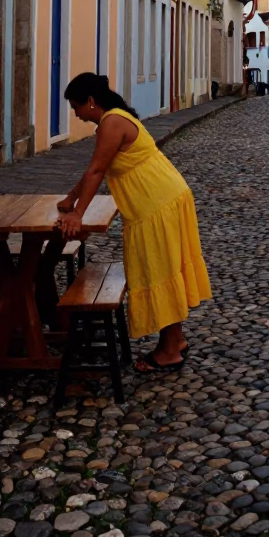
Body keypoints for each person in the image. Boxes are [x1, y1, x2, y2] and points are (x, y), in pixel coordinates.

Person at [56, 73, 211, 373]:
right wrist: (72, 199)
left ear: (91, 102)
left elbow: (97, 170)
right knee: (164, 269)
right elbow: (96, 168)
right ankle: (174, 339)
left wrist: (77, 215)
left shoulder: (111, 123)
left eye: (76, 106)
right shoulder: (114, 119)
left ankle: (169, 352)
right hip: (161, 199)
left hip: (156, 205)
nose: (75, 113)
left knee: (158, 271)